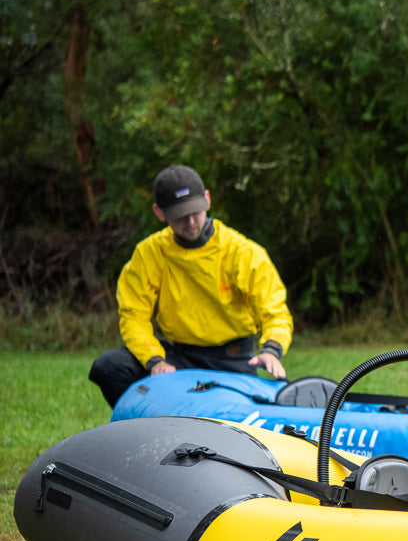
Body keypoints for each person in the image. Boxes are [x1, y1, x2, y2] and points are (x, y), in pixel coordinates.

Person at [88, 164, 293, 408]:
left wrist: (271, 349)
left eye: (195, 211)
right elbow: (133, 317)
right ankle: (149, 429)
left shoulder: (242, 251)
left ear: (207, 199)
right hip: (179, 357)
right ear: (159, 212)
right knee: (109, 367)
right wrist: (155, 360)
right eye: (179, 215)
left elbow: (275, 310)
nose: (191, 222)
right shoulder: (148, 254)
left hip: (233, 359)